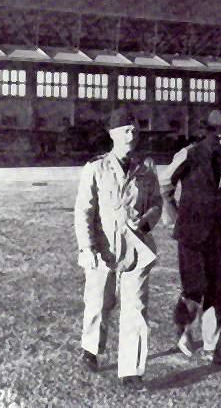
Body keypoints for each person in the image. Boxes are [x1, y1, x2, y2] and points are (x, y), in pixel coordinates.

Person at [74, 106, 162, 390]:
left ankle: (131, 371)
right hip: (104, 249)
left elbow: (158, 203)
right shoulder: (96, 168)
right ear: (112, 134)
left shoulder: (146, 169)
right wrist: (87, 248)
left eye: (135, 130)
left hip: (137, 250)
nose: (131, 135)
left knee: (135, 308)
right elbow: (84, 211)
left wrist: (147, 222)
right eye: (125, 130)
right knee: (99, 302)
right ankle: (91, 349)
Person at [160, 109, 221, 364]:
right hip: (191, 236)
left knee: (220, 293)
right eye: (216, 132)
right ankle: (183, 331)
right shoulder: (189, 154)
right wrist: (174, 219)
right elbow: (164, 187)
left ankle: (212, 347)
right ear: (207, 132)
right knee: (194, 289)